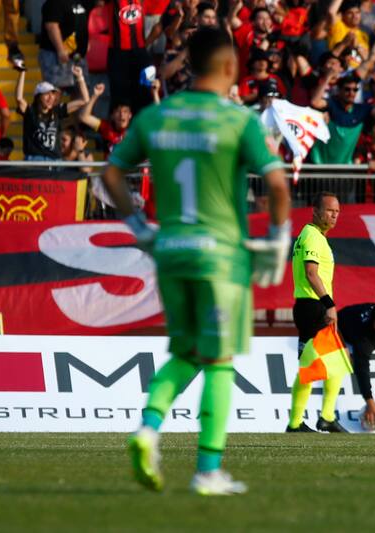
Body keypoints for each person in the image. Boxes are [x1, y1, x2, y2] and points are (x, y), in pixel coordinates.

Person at [101, 26, 291, 496]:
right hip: (221, 257)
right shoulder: (238, 121)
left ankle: (147, 427)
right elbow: (279, 184)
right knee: (220, 360)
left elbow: (109, 172)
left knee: (185, 352)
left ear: (188, 63)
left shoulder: (156, 116)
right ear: (230, 68)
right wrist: (279, 236)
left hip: (170, 252)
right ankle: (207, 470)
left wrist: (141, 228)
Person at [286, 192, 347, 433]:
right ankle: (308, 421)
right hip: (313, 307)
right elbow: (311, 273)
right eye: (330, 210)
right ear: (316, 211)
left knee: (330, 365)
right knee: (314, 368)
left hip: (308, 306)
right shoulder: (312, 236)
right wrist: (329, 303)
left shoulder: (311, 235)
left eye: (337, 211)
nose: (334, 215)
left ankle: (320, 418)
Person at [338, 288, 375, 429]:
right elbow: (362, 369)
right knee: (351, 360)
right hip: (338, 325)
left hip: (358, 314)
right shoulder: (364, 340)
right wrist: (369, 401)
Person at [16, 66, 89, 161]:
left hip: (55, 161)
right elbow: (19, 98)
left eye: (53, 94)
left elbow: (84, 100)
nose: (51, 98)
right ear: (38, 97)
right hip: (34, 161)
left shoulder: (57, 111)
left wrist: (80, 77)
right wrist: (22, 72)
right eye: (47, 94)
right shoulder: (30, 111)